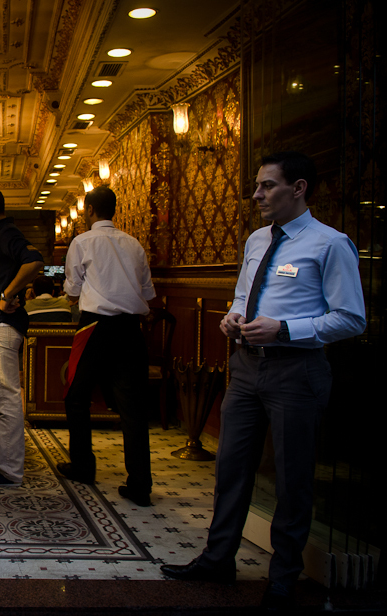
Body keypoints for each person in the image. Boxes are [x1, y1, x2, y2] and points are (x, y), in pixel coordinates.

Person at [160, 152, 366, 609]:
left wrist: (286, 329)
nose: (257, 195)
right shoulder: (256, 240)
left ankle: (282, 577)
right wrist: (232, 320)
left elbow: (351, 319)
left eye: (268, 186)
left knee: (292, 477)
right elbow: (241, 296)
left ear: (299, 188)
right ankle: (219, 558)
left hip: (297, 371)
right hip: (247, 368)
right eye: (257, 186)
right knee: (230, 468)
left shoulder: (330, 244)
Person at [58, 186, 156, 507]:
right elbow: (148, 293)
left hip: (95, 326)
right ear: (114, 209)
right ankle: (140, 484)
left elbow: (72, 288)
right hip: (131, 329)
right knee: (133, 407)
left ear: (88, 210)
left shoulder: (82, 242)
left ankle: (84, 466)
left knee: (76, 396)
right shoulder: (135, 244)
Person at [0, 186, 44, 486]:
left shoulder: (7, 233)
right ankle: (3, 456)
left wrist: (8, 292)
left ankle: (11, 470)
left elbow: (35, 260)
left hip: (2, 323)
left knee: (6, 399)